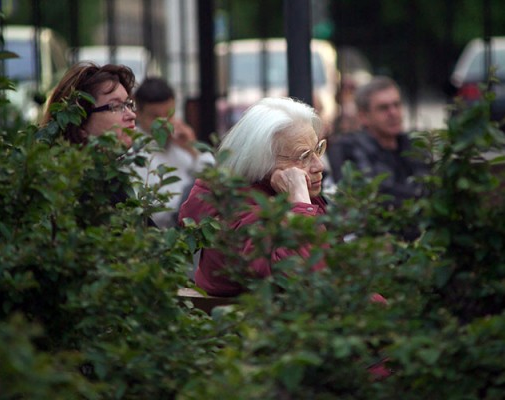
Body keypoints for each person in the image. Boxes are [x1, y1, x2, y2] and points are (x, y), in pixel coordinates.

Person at [179, 97, 328, 297]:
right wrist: (300, 204)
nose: (320, 166)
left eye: (318, 149)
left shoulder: (282, 196)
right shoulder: (235, 212)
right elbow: (305, 278)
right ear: (263, 163)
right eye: (303, 157)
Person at [41, 62, 156, 226]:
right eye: (116, 106)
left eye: (129, 104)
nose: (131, 115)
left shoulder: (108, 180)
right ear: (80, 123)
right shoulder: (80, 192)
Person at [327, 76, 429, 208]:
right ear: (364, 116)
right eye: (383, 108)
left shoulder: (413, 145)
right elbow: (370, 195)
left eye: (396, 105)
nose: (393, 113)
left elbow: (429, 187)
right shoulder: (347, 148)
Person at [132, 77, 214, 228]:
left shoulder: (180, 142)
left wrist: (193, 148)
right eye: (155, 117)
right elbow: (152, 214)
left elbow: (214, 181)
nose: (164, 123)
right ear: (138, 113)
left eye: (169, 115)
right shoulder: (133, 151)